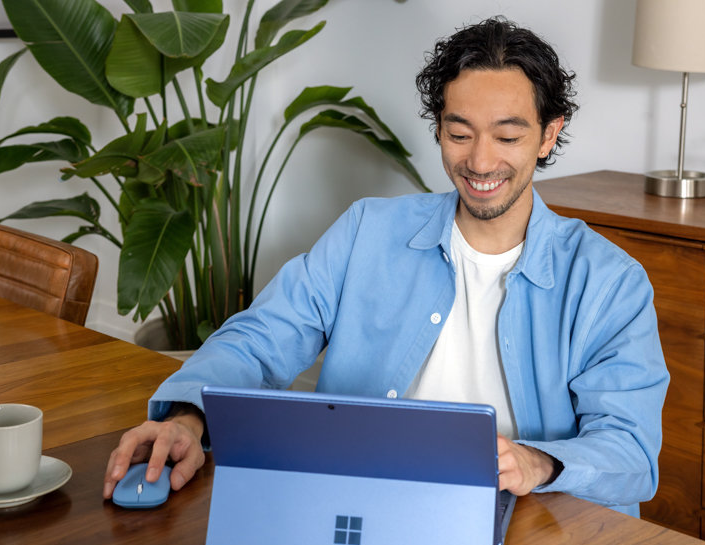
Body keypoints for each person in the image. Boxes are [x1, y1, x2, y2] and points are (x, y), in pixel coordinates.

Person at [104, 16, 668, 517]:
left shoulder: (608, 282)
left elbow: (630, 450)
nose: (480, 161)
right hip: (366, 507)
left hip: (531, 526)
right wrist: (186, 416)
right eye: (458, 133)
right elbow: (262, 336)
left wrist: (537, 463)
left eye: (508, 135)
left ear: (549, 134)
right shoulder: (366, 231)